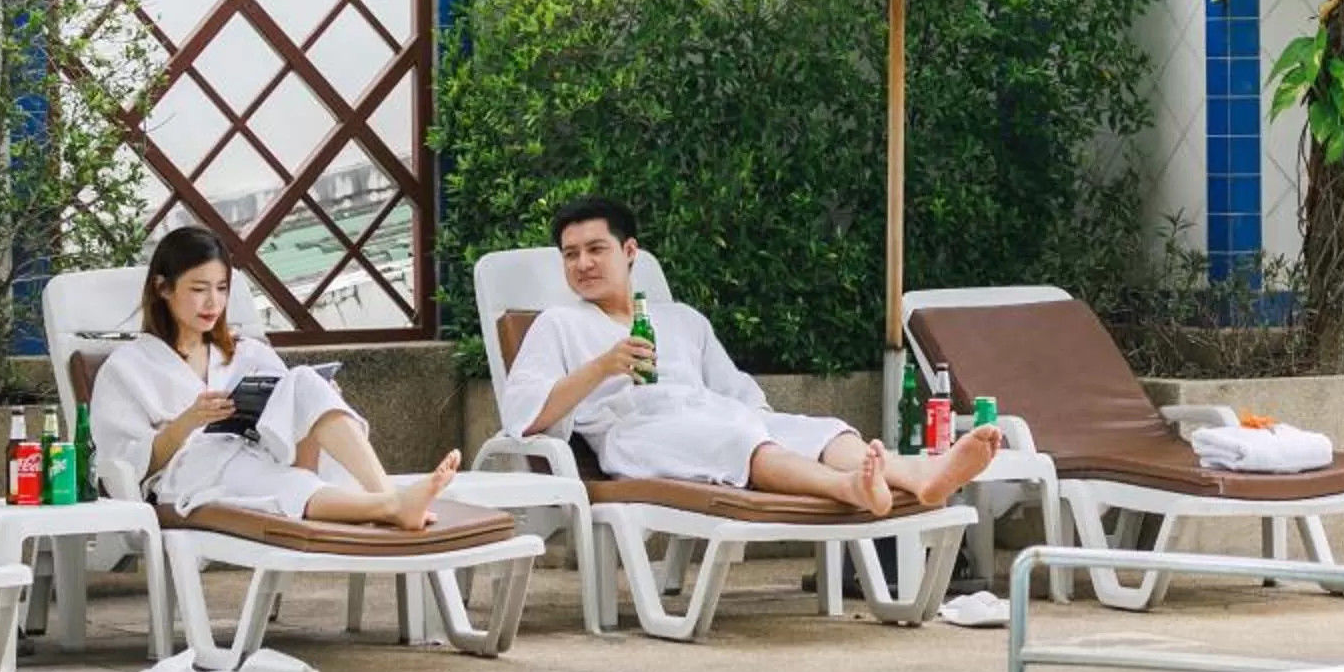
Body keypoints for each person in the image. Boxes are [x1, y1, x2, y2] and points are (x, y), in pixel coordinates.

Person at [499, 195, 1001, 513]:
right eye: (570, 254)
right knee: (739, 436)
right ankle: (848, 488)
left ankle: (919, 474)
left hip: (708, 416)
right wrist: (602, 367)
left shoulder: (682, 319)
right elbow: (526, 414)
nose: (582, 263)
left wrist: (777, 428)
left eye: (595, 249)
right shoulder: (558, 324)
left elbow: (736, 392)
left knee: (817, 428)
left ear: (629, 251)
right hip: (634, 436)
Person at [91, 226, 458, 528]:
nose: (213, 304)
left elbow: (292, 420)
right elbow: (126, 467)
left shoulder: (245, 352)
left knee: (305, 381)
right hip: (191, 476)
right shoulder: (127, 368)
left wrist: (318, 400)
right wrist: (188, 421)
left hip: (264, 455)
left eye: (221, 289)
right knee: (279, 479)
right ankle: (391, 507)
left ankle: (386, 494)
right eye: (199, 289)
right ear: (163, 288)